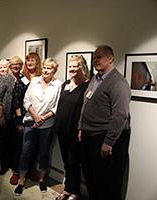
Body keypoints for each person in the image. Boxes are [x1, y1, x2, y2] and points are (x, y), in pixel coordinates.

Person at [78, 45, 131, 200]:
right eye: (94, 57)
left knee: (107, 182)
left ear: (110, 58)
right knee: (92, 178)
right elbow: (85, 104)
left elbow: (120, 115)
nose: (95, 60)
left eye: (99, 57)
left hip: (104, 139)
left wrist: (108, 142)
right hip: (90, 136)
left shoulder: (118, 82)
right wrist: (81, 127)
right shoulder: (95, 79)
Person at [14, 58, 62, 195]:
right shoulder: (34, 81)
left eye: (50, 68)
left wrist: (43, 118)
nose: (46, 70)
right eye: (45, 67)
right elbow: (26, 100)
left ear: (55, 70)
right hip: (30, 122)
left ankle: (42, 180)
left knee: (44, 154)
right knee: (25, 153)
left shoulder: (58, 85)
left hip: (47, 125)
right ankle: (21, 180)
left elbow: (57, 106)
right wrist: (35, 116)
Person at [55, 55, 90, 200]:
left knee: (73, 161)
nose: (72, 69)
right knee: (66, 162)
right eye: (70, 66)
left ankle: (74, 191)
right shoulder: (65, 84)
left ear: (82, 67)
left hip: (74, 131)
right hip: (61, 129)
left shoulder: (87, 86)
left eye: (75, 66)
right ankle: (68, 189)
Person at [12, 52, 42, 184]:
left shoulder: (42, 78)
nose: (30, 63)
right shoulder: (21, 78)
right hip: (22, 118)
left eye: (33, 60)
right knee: (20, 147)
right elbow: (16, 101)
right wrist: (19, 121)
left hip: (37, 117)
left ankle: (30, 170)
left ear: (37, 62)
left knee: (34, 146)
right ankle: (16, 172)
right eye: (28, 60)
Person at [0, 56, 23, 180]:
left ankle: (13, 166)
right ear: (10, 66)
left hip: (17, 117)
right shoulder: (6, 79)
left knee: (16, 143)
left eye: (18, 64)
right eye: (13, 64)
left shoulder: (23, 79)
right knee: (4, 142)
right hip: (5, 116)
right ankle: (4, 166)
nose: (15, 66)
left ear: (21, 66)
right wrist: (0, 115)